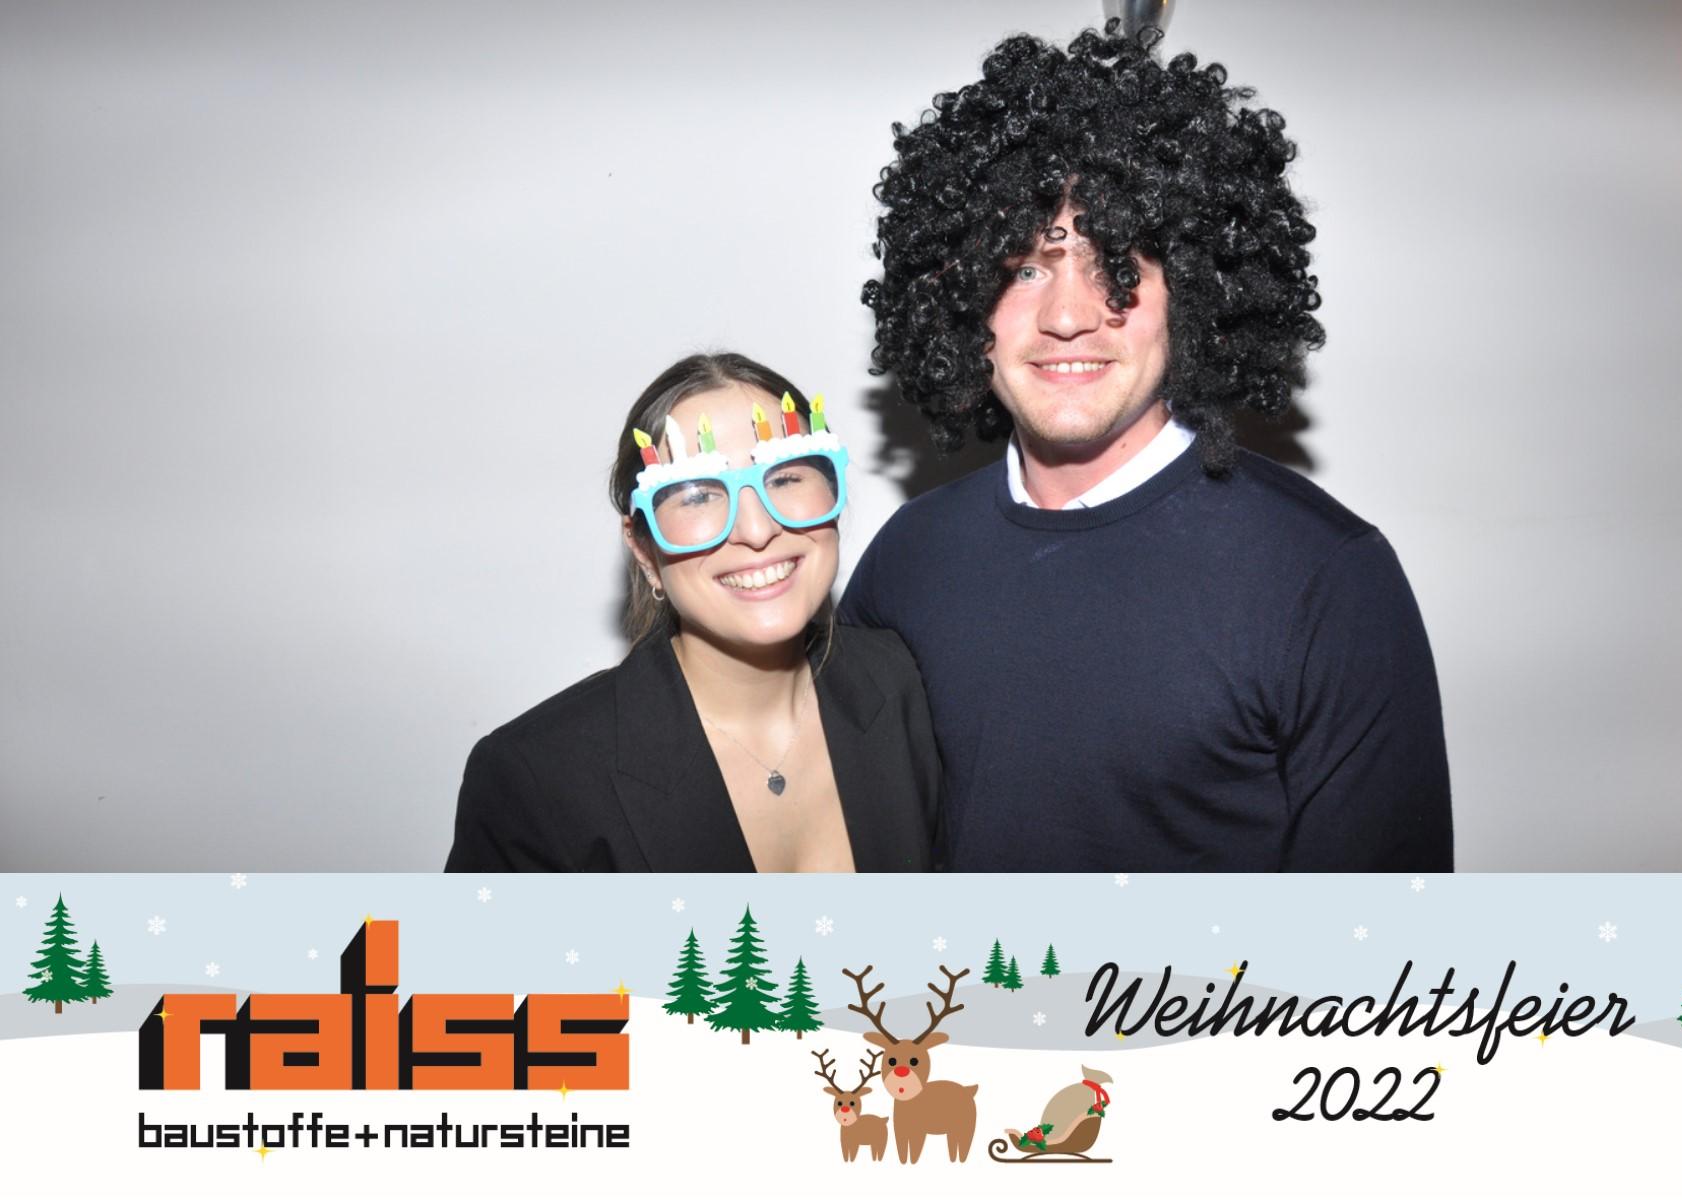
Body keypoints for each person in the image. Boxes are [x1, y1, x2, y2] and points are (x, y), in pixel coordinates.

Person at [840, 24, 1452, 870]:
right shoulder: (907, 559)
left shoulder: (1327, 580)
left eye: (1117, 262)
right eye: (1025, 268)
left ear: (1194, 292)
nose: (1067, 316)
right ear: (962, 296)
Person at [447, 353, 939, 871]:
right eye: (698, 495)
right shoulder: (536, 779)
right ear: (644, 552)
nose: (756, 530)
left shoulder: (905, 684)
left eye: (785, 478)